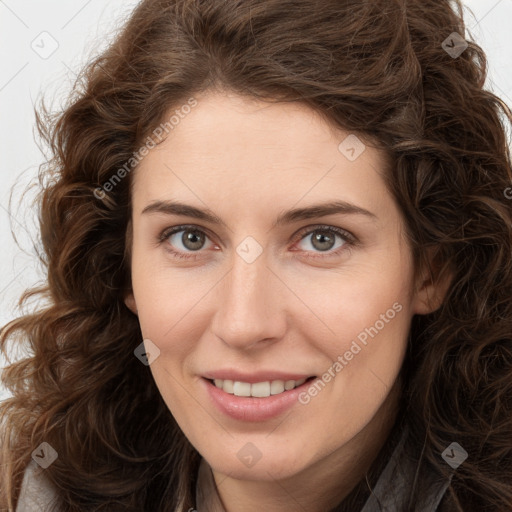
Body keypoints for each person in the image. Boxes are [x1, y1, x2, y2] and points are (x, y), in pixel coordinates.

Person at [1, 0, 512, 510]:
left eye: (322, 239)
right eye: (189, 238)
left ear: (432, 267)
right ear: (123, 265)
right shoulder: (33, 487)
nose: (245, 324)